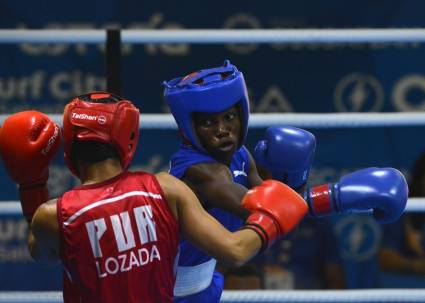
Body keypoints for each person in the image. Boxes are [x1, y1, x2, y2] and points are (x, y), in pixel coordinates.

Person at [0, 92, 309, 303]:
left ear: (70, 145)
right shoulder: (166, 189)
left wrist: (32, 185)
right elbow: (236, 251)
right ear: (128, 138)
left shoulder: (52, 215)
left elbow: (41, 252)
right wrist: (272, 219)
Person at [162, 60, 409, 302]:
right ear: (188, 128)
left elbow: (273, 198)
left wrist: (294, 188)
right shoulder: (202, 172)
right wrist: (335, 197)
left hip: (204, 280)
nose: (222, 129)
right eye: (208, 123)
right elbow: (260, 206)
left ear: (242, 114)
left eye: (229, 117)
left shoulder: (238, 154)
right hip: (171, 291)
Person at [379, 152, 425, 280]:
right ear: (420, 178)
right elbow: (384, 257)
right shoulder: (404, 208)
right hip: (404, 291)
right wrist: (414, 265)